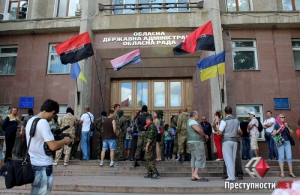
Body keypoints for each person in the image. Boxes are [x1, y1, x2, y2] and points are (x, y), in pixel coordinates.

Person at [25, 99, 72, 194]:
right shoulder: (43, 123)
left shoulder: (31, 120)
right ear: (52, 112)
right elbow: (53, 146)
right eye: (54, 115)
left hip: (33, 164)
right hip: (43, 167)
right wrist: (64, 140)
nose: (53, 117)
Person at [217, 106, 240, 182]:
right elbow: (239, 131)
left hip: (227, 140)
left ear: (225, 112)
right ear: (231, 111)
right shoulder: (236, 120)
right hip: (235, 140)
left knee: (228, 159)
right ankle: (232, 175)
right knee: (233, 159)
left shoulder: (224, 120)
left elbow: (220, 132)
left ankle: (231, 177)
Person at [187, 110, 209, 182]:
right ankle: (196, 173)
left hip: (191, 142)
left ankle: (193, 174)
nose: (198, 116)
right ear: (194, 115)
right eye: (197, 115)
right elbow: (199, 130)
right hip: (197, 142)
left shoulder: (189, 121)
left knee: (194, 158)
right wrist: (205, 135)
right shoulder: (193, 121)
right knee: (200, 157)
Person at [273, 114, 297, 178]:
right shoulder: (276, 125)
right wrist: (280, 128)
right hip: (280, 142)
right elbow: (274, 133)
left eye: (284, 117)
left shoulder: (286, 124)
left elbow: (292, 132)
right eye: (281, 117)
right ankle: (282, 173)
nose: (283, 118)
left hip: (287, 142)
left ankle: (291, 172)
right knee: (281, 157)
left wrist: (287, 127)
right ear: (278, 118)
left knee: (289, 156)